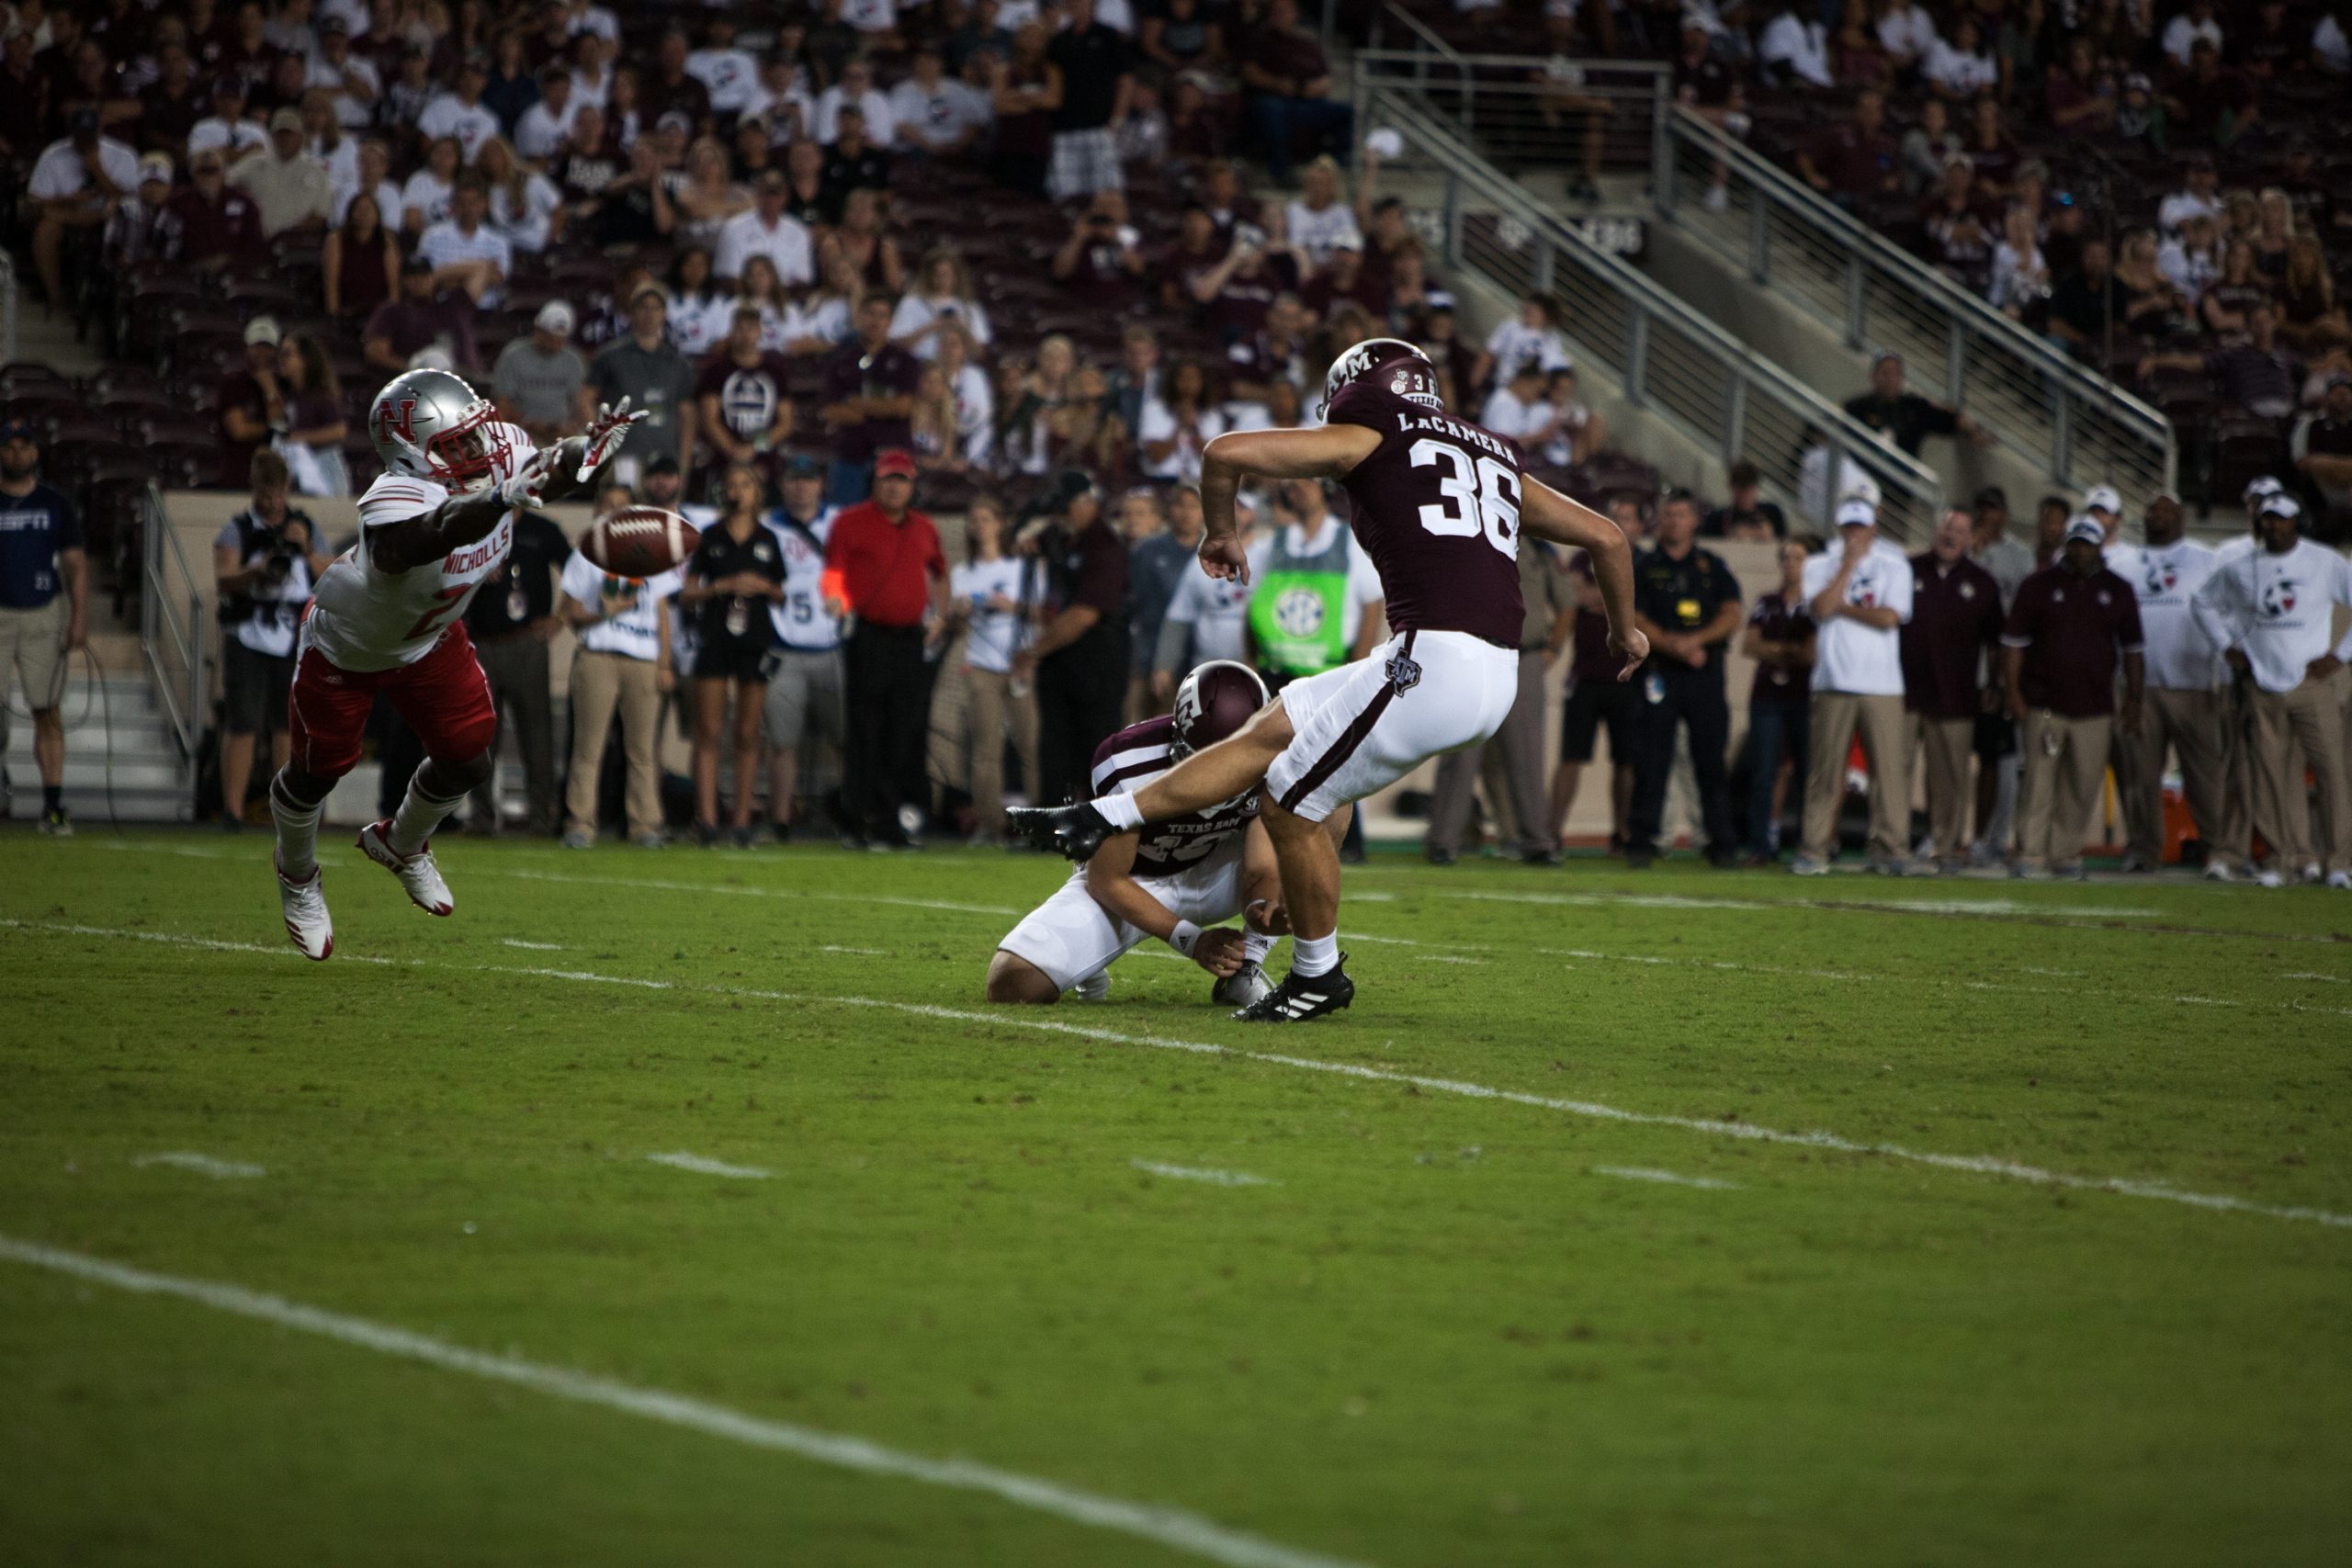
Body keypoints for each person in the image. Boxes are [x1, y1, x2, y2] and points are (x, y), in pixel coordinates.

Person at [1011, 338, 1645, 1023]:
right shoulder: (1492, 451)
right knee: (1274, 725)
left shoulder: (1376, 431)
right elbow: (1607, 537)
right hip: (1488, 665)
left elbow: (1223, 453)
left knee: (1287, 800)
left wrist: (1220, 532)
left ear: (1356, 386)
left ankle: (1317, 974)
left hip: (1432, 657)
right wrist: (1624, 630)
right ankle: (1101, 818)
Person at [269, 370, 642, 957]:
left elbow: (550, 470)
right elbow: (421, 538)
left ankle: (402, 843)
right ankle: (297, 874)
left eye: (477, 434)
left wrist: (586, 451)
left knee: (469, 759)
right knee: (317, 771)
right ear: (411, 455)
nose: (479, 450)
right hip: (349, 648)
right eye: (455, 443)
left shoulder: (495, 453)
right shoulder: (395, 497)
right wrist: (494, 499)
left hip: (430, 639)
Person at [989, 660, 1284, 1009]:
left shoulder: (1275, 753)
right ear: (1179, 739)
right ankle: (1088, 963)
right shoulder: (1128, 760)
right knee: (1013, 981)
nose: (1220, 784)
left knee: (1324, 807)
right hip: (1135, 880)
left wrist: (1263, 913)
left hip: (1215, 870)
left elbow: (1263, 865)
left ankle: (1251, 970)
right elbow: (1108, 879)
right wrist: (1192, 941)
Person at [2190, 493, 2352, 886]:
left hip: (2313, 683)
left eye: (2281, 519)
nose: (2274, 526)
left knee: (2332, 772)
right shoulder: (2241, 568)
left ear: (2297, 521)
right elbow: (2202, 601)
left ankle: (2340, 864)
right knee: (2269, 778)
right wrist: (2225, 647)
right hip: (2263, 684)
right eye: (2268, 520)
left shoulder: (2325, 561)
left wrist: (2341, 655)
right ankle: (2282, 859)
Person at [2002, 518, 2145, 880]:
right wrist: (2013, 693)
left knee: (2082, 785)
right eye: (2075, 544)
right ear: (2066, 545)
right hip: (2045, 703)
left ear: (2101, 547)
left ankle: (2064, 854)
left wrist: (2134, 699)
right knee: (2038, 782)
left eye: (2088, 545)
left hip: (2095, 706)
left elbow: (2133, 650)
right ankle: (2031, 855)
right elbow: (2015, 645)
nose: (2081, 551)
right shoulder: (2038, 586)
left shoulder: (2118, 589)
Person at [1426, 535, 1574, 865]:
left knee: (1527, 757)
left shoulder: (1538, 546)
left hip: (1524, 658)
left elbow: (1567, 602)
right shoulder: (1465, 535)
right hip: (1472, 657)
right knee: (1459, 754)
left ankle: (1537, 841)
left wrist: (1553, 650)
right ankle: (1443, 842)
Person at [826, 449, 947, 848]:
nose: (895, 487)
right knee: (865, 729)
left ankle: (893, 818)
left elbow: (940, 574)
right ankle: (860, 818)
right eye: (888, 479)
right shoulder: (849, 522)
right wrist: (837, 602)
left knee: (904, 731)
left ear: (912, 486)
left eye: (902, 480)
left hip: (909, 639)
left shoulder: (925, 528)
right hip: (868, 635)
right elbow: (833, 573)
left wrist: (940, 616)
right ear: (874, 482)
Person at [1793, 496, 1915, 875]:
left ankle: (1892, 848)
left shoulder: (1894, 564)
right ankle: (1814, 848)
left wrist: (1843, 607)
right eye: (1848, 526)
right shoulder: (1818, 564)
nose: (1854, 534)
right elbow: (1819, 609)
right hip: (1832, 681)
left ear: (1873, 528)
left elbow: (1889, 618)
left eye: (1860, 527)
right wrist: (1847, 566)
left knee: (1889, 774)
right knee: (1825, 773)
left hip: (1882, 684)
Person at [2111, 493, 2232, 875]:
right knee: (2139, 775)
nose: (2157, 515)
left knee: (2205, 775)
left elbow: (2227, 616)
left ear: (2181, 516)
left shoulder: (2207, 559)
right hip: (2136, 686)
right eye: (2151, 508)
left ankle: (2219, 850)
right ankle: (2144, 850)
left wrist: (2225, 671)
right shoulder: (2123, 563)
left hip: (2193, 683)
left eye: (2165, 509)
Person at [1623, 491, 1742, 869]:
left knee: (1709, 758)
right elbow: (1634, 616)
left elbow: (1731, 613)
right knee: (1651, 758)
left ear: (1694, 521)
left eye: (1682, 514)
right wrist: (1671, 644)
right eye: (1668, 514)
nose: (1675, 521)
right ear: (1659, 520)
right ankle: (1643, 841)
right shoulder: (1643, 566)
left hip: (1704, 673)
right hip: (1660, 672)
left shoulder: (1712, 566)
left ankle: (1720, 842)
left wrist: (1697, 640)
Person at [559, 497, 681, 852]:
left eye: (623, 508)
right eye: (608, 506)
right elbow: (570, 612)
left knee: (643, 750)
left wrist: (664, 662)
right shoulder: (587, 554)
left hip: (643, 659)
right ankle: (580, 822)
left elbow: (661, 613)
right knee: (588, 746)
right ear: (597, 512)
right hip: (599, 655)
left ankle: (645, 824)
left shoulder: (653, 556)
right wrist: (604, 613)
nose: (615, 513)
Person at [682, 464, 786, 847]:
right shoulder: (710, 537)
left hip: (754, 638)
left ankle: (742, 818)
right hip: (715, 635)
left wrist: (761, 586)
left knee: (747, 731)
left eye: (745, 484)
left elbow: (781, 592)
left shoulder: (768, 539)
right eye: (731, 485)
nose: (737, 491)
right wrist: (721, 586)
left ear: (757, 493)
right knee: (709, 730)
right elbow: (688, 593)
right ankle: (707, 818)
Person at [1015, 474, 1131, 807]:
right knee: (1054, 741)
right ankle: (1053, 817)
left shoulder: (1104, 546)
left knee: (1095, 743)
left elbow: (1084, 615)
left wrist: (1033, 651)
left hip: (1098, 655)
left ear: (1087, 504)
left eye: (1065, 508)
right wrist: (1028, 538)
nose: (1060, 516)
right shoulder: (1061, 537)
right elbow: (1020, 539)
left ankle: (1098, 822)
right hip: (1061, 656)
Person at [1900, 509, 2004, 871]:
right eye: (1946, 527)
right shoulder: (1907, 570)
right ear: (1934, 531)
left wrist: (1993, 683)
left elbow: (1996, 642)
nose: (1951, 535)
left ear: (1971, 538)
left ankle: (1945, 848)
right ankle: (1891, 846)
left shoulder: (1983, 583)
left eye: (1960, 530)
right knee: (1894, 772)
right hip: (1903, 692)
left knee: (1950, 778)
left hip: (1956, 696)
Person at [458, 500, 570, 838]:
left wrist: (560, 617)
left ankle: (541, 817)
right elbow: (447, 572)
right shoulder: (475, 526)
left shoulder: (542, 530)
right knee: (480, 736)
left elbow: (579, 573)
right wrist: (475, 574)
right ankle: (481, 816)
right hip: (482, 642)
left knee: (537, 734)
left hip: (527, 641)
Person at [0, 422, 87, 837]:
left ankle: (53, 804)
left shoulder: (55, 503)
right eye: (10, 447)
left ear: (35, 453)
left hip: (43, 611)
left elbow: (74, 562)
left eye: (24, 447)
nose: (17, 454)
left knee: (47, 709)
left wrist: (79, 617)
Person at [760, 456, 845, 840]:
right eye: (794, 479)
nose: (801, 487)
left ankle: (848, 815)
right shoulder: (767, 526)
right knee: (782, 739)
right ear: (783, 485)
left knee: (845, 738)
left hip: (832, 642)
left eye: (807, 480)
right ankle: (780, 820)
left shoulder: (839, 523)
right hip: (785, 644)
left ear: (820, 484)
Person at [1549, 504, 1640, 853]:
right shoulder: (1582, 556)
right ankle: (1552, 831)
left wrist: (1599, 595)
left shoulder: (1642, 559)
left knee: (1627, 759)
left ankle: (1623, 832)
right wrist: (1617, 596)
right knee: (1571, 756)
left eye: (1627, 517)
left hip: (1626, 675)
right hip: (1585, 676)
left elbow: (1601, 599)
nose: (1620, 522)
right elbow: (1577, 597)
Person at [942, 498, 1033, 841]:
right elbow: (958, 628)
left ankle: (1038, 819)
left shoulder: (1020, 567)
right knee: (985, 748)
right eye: (974, 520)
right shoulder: (963, 573)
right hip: (981, 663)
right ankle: (989, 822)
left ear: (1000, 524)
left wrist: (1014, 606)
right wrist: (959, 615)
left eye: (985, 519)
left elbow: (1043, 614)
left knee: (1030, 743)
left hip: (1019, 660)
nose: (979, 526)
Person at [1741, 536, 1815, 863]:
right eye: (1786, 558)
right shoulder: (1767, 601)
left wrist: (1773, 651)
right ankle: (1761, 843)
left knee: (1807, 772)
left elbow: (1812, 654)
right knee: (1765, 771)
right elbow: (1749, 645)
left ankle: (1809, 841)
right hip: (1768, 694)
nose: (1790, 565)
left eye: (1798, 558)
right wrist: (1787, 650)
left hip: (1802, 695)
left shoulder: (1815, 603)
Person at [584, 285, 698, 480]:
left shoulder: (678, 363)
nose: (649, 314)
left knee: (658, 511)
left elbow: (687, 415)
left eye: (655, 308)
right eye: (643, 307)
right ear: (632, 312)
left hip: (665, 457)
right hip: (622, 454)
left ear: (664, 314)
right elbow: (585, 397)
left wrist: (684, 462)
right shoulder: (610, 356)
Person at [819, 293, 922, 506]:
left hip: (894, 454)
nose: (875, 321)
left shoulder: (905, 360)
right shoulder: (840, 358)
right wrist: (883, 409)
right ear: (860, 317)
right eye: (870, 314)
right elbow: (830, 410)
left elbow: (902, 408)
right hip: (851, 454)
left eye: (882, 315)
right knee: (846, 520)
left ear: (891, 321)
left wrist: (854, 403)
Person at [1238, 0, 1351, 187]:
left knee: (1346, 111)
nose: (1281, 16)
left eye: (1285, 11)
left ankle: (1332, 166)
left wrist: (1318, 86)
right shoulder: (1260, 38)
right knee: (1271, 109)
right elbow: (1249, 71)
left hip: (1307, 102)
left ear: (1295, 14)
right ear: (1271, 14)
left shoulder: (1306, 42)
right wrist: (1276, 83)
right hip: (1273, 99)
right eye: (1277, 12)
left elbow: (1326, 78)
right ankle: (1281, 172)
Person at [1045, 0, 1130, 201]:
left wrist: (1117, 120)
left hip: (1100, 127)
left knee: (1107, 194)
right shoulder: (1059, 41)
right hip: (1064, 128)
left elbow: (1126, 81)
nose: (1077, 4)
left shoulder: (1108, 35)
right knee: (1065, 195)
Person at [1842, 350, 1995, 458]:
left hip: (1902, 488)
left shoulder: (1914, 406)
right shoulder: (1858, 407)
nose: (1891, 379)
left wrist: (1972, 430)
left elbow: (1950, 420)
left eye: (1896, 373)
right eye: (1885, 373)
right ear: (1874, 376)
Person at [492, 300, 586, 447]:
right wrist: (528, 424)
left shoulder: (573, 360)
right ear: (538, 330)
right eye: (550, 338)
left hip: (562, 432)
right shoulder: (514, 355)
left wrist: (573, 427)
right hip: (523, 431)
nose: (555, 343)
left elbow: (580, 402)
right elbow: (503, 402)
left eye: (560, 339)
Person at [227, 106, 331, 238]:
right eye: (280, 134)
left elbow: (321, 214)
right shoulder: (253, 163)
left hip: (294, 244)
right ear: (272, 136)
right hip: (255, 238)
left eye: (289, 134)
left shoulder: (315, 171)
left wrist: (293, 234)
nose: (284, 139)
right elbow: (228, 185)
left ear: (300, 137)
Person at [1703, 460, 1785, 540]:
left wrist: (1768, 535)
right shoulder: (1717, 519)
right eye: (1741, 486)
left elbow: (1785, 543)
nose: (1746, 492)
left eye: (1750, 486)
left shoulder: (1772, 512)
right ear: (1732, 487)